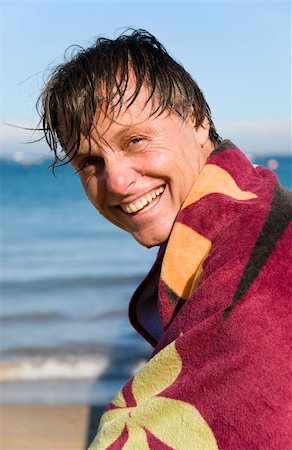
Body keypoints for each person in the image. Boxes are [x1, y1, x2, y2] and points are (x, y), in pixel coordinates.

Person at [37, 29, 292, 449]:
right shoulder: (256, 207)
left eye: (135, 140)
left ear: (197, 118)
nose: (117, 181)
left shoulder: (256, 277)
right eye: (90, 161)